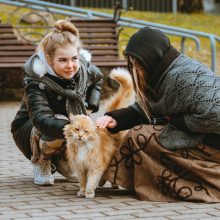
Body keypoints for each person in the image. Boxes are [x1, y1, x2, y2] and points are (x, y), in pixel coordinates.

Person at [96, 27, 220, 202]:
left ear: (149, 58)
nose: (133, 69)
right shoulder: (170, 70)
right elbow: (149, 109)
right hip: (208, 135)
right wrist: (115, 118)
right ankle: (148, 182)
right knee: (142, 132)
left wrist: (177, 121)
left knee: (141, 135)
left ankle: (172, 186)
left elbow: (216, 114)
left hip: (214, 143)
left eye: (136, 63)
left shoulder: (180, 77)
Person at [11, 19, 103, 186]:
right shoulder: (36, 80)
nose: (70, 65)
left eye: (74, 58)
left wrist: (90, 106)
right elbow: (40, 118)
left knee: (79, 123)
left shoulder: (83, 68)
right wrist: (75, 126)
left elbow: (98, 79)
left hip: (63, 125)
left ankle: (62, 161)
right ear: (49, 59)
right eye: (63, 60)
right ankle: (42, 160)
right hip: (30, 129)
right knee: (62, 119)